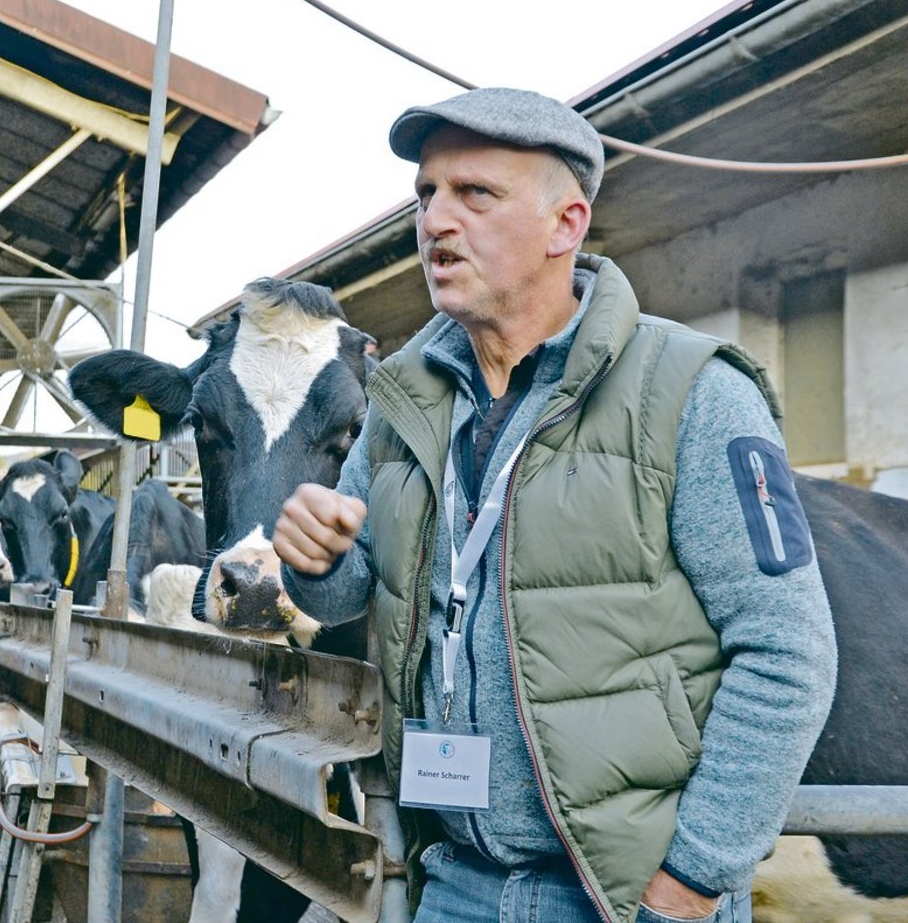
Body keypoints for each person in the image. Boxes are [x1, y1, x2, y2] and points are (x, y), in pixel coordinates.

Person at [273, 88, 836, 923]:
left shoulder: (693, 393)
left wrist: (688, 883)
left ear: (565, 226)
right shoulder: (405, 402)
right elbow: (350, 594)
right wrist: (314, 558)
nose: (435, 222)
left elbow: (788, 654)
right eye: (426, 194)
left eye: (476, 194)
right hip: (456, 880)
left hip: (622, 896)